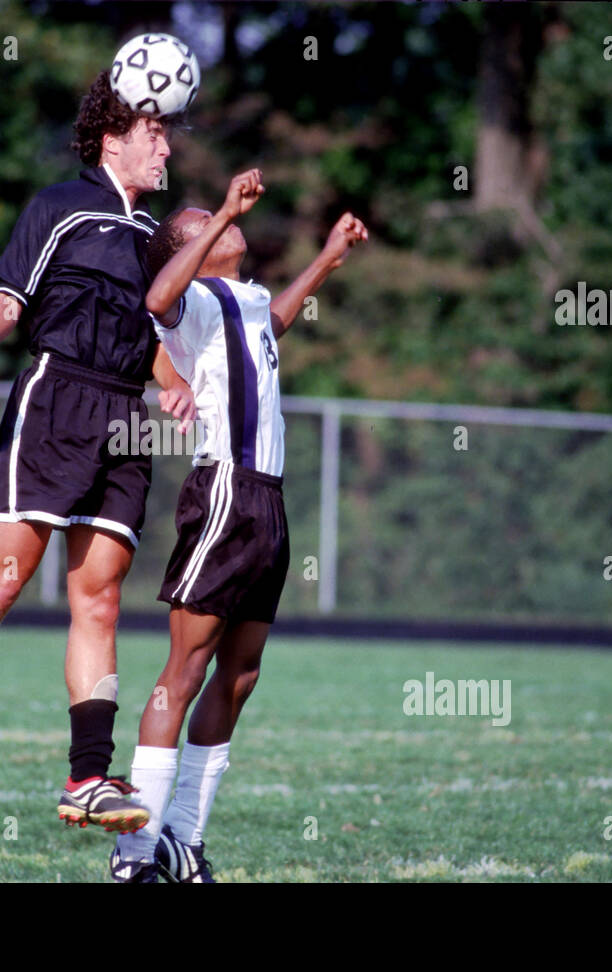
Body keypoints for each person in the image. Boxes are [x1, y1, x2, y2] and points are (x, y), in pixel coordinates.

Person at [0, 71, 196, 834]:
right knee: (2, 583)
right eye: (153, 132)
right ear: (114, 140)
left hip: (124, 420)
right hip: (55, 400)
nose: (166, 145)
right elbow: (8, 297)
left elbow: (151, 334)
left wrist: (174, 385)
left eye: (168, 132)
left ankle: (88, 779)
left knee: (97, 598)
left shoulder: (156, 236)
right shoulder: (59, 207)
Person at [109, 169, 368, 881]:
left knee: (241, 673)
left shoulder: (245, 297)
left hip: (268, 499)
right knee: (184, 670)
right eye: (204, 222)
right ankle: (134, 847)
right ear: (191, 245)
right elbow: (155, 296)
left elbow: (273, 321)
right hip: (223, 488)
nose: (226, 225)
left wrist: (326, 258)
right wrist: (221, 208)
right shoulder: (188, 296)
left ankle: (183, 839)